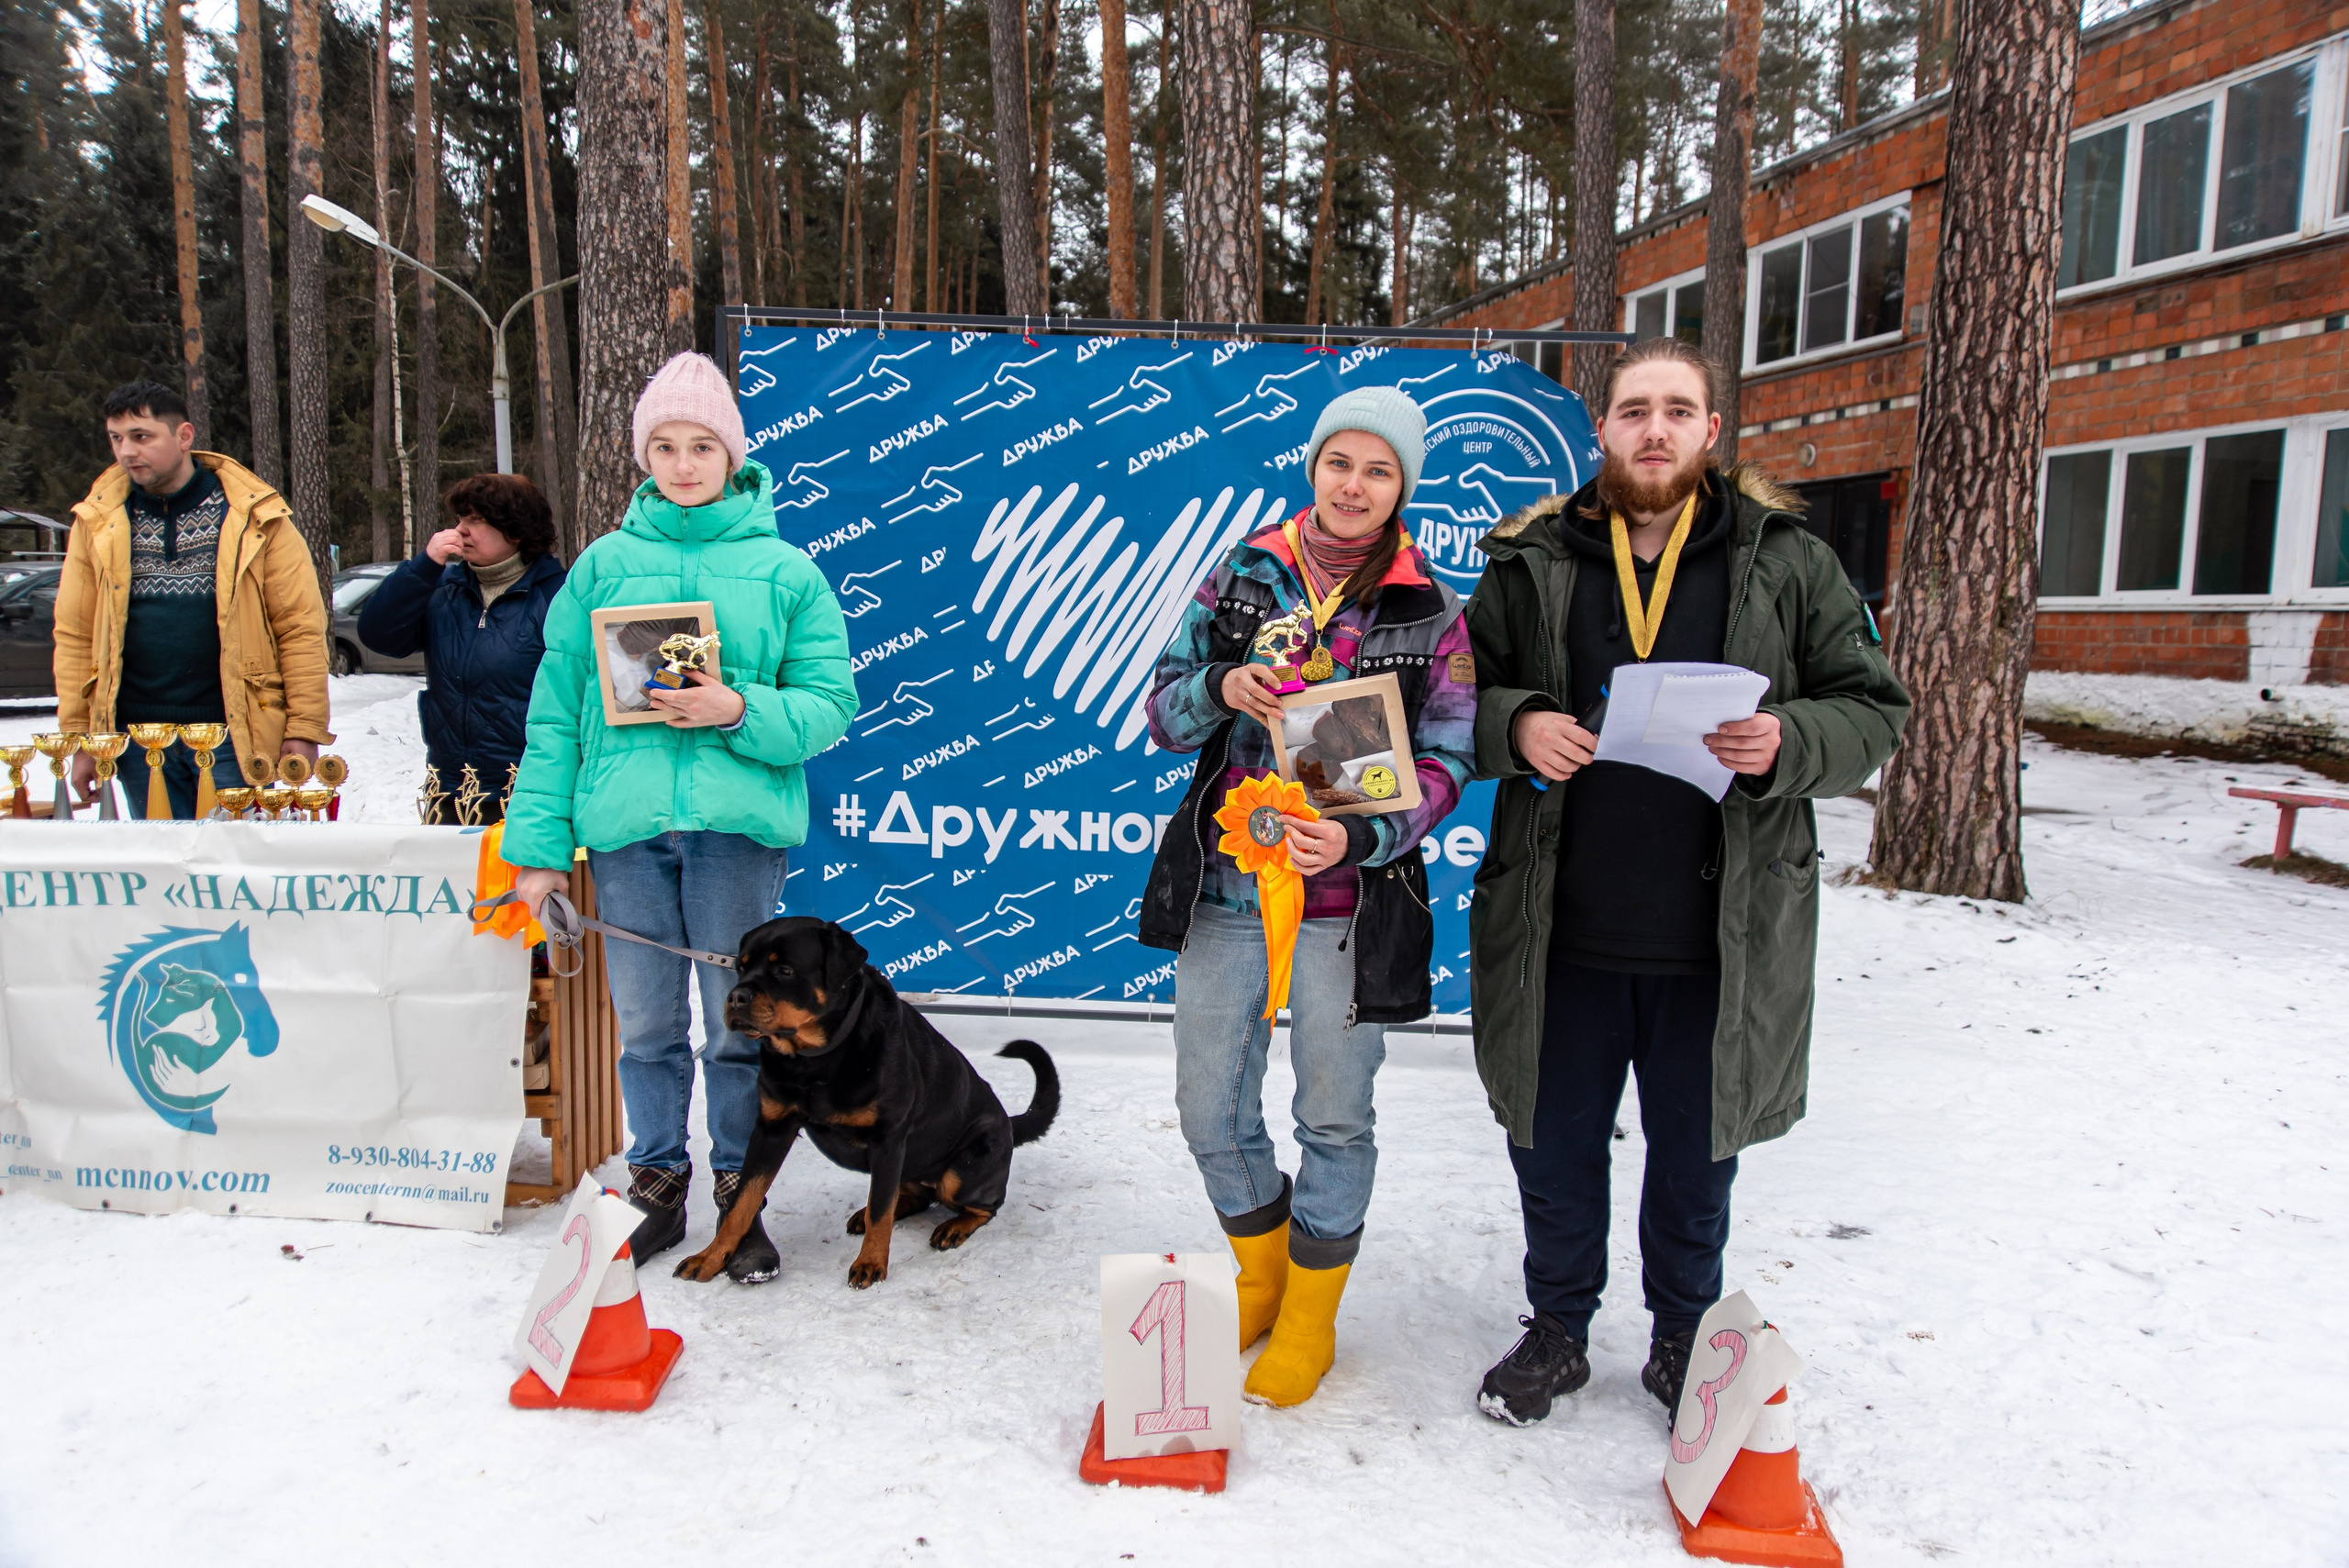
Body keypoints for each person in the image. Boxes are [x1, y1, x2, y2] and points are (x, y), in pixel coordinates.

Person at [1464, 338, 1909, 1426]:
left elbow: (1872, 710)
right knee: (1551, 1142)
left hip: (1721, 932)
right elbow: (1450, 696)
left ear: (1711, 430)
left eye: (1676, 409)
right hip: (1558, 923)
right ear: (1602, 429)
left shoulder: (1786, 560)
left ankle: (1682, 1333)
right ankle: (1558, 1325)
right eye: (1633, 409)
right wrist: (1514, 725)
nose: (1653, 428)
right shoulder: (1530, 558)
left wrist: (1788, 737)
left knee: (1696, 1156)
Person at [1136, 386, 1475, 1408]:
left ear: (1402, 486)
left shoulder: (1430, 607)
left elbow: (1452, 757)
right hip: (1229, 882)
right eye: (1340, 462)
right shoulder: (1245, 570)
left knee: (1333, 1113)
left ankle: (1312, 1317)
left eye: (1379, 469)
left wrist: (1364, 834)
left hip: (1347, 904)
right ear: (1313, 465)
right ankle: (1264, 1275)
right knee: (1208, 1105)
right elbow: (1163, 710)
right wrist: (1221, 687)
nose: (1354, 485)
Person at [502, 352, 857, 1278]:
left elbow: (829, 704)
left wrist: (736, 708)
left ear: (732, 454)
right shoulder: (602, 568)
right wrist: (538, 850)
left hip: (735, 837)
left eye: (702, 445)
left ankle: (742, 1195)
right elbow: (554, 716)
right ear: (643, 455)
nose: (684, 463)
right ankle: (657, 1184)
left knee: (738, 1026)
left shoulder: (786, 572)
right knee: (647, 1027)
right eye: (664, 445)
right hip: (627, 837)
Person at [56, 381, 331, 814]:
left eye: (141, 436)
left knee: (237, 857)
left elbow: (299, 628)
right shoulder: (97, 521)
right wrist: (80, 738)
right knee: (160, 858)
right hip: (137, 741)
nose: (127, 451)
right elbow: (75, 633)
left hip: (234, 734)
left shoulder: (256, 517)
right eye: (116, 438)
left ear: (184, 436)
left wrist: (304, 727)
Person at [357, 473, 566, 822]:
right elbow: (378, 635)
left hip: (527, 793)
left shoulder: (557, 595)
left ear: (516, 530)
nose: (460, 530)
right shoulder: (445, 589)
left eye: (476, 520)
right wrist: (423, 568)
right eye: (460, 518)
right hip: (451, 791)